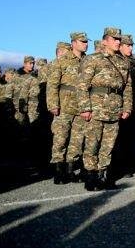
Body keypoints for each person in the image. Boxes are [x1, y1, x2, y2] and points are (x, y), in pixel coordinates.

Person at [77, 27, 132, 191]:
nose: (117, 42)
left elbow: (127, 87)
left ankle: (103, 175)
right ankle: (91, 176)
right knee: (92, 144)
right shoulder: (93, 59)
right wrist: (85, 107)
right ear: (104, 41)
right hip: (96, 108)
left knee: (108, 145)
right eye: (114, 39)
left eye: (119, 39)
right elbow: (82, 86)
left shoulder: (123, 62)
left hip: (115, 108)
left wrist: (127, 107)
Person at [47, 31, 90, 184]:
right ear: (73, 43)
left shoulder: (87, 61)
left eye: (86, 41)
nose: (86, 44)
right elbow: (52, 84)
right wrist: (53, 104)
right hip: (64, 105)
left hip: (81, 106)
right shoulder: (62, 60)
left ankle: (70, 170)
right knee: (60, 138)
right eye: (82, 41)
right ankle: (59, 171)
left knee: (77, 140)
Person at [113, 34, 135, 178]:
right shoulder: (115, 60)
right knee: (121, 136)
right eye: (127, 45)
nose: (130, 48)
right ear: (120, 46)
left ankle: (131, 161)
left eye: (132, 45)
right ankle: (120, 165)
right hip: (122, 102)